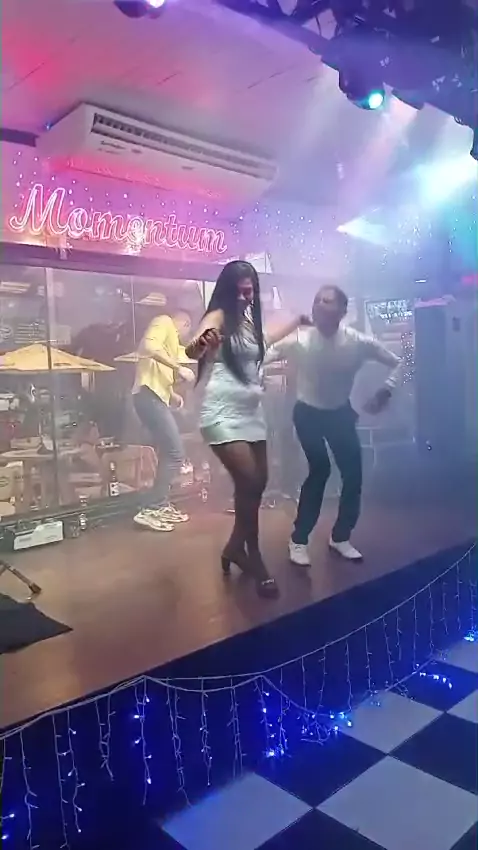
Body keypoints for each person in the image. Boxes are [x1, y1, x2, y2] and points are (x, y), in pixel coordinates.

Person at [185, 260, 310, 598]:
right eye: (239, 291)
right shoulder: (218, 317)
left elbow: (264, 343)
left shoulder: (250, 322)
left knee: (257, 484)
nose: (245, 296)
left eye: (249, 290)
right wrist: (203, 343)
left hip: (251, 414)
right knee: (250, 481)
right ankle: (254, 558)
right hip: (220, 413)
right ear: (228, 290)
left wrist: (297, 321)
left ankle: (233, 548)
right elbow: (192, 347)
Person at [267, 284, 402, 566]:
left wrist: (386, 390)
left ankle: (340, 537)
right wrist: (255, 379)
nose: (319, 305)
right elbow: (262, 355)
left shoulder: (357, 342)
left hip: (339, 413)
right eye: (317, 300)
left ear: (342, 310)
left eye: (327, 301)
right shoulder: (299, 340)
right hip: (307, 413)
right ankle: (299, 540)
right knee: (320, 470)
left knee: (353, 475)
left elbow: (402, 363)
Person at [132, 311, 195, 532]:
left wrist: (173, 396)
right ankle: (153, 508)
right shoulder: (164, 321)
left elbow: (158, 373)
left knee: (171, 452)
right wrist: (179, 369)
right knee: (175, 452)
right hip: (148, 397)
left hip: (152, 397)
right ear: (185, 324)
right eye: (188, 329)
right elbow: (148, 347)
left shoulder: (172, 346)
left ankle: (160, 504)